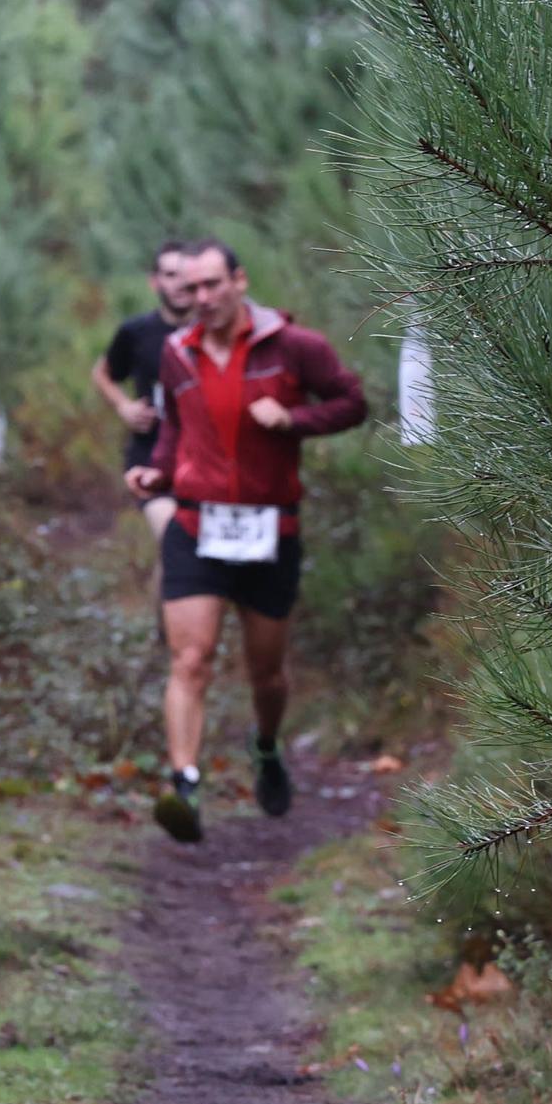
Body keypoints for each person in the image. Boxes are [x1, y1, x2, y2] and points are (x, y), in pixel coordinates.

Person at [124, 239, 366, 844]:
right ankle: (184, 783)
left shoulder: (294, 347)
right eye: (191, 289)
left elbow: (352, 403)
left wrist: (294, 420)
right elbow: (176, 432)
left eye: (212, 285)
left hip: (269, 530)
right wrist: (158, 471)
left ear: (239, 281)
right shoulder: (177, 353)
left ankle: (265, 746)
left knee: (267, 673)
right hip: (196, 526)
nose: (200, 298)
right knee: (190, 658)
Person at [92, 241, 195, 540]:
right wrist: (124, 406)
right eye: (171, 274)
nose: (180, 283)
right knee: (173, 537)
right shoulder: (137, 332)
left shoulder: (214, 332)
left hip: (205, 461)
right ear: (155, 282)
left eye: (186, 274)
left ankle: (166, 587)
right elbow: (102, 372)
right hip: (151, 457)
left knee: (190, 557)